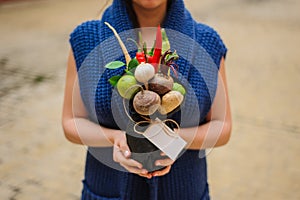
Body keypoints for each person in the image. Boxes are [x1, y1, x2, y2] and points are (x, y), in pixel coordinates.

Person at [62, 0, 232, 199]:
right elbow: (71, 122)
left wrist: (174, 141)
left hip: (185, 191)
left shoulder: (207, 41)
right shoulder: (85, 38)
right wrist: (116, 139)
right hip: (108, 189)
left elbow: (223, 127)